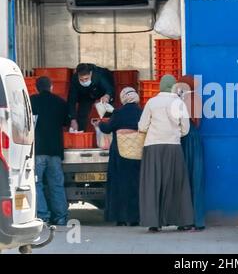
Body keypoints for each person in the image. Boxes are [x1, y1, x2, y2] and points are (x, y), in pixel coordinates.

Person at [138, 74, 194, 232]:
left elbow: (142, 126)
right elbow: (186, 129)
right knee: (177, 184)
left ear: (160, 86)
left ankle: (154, 223)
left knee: (153, 184)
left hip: (152, 146)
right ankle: (182, 221)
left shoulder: (151, 102)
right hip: (173, 146)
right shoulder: (178, 103)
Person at [95, 87, 142, 226]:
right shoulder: (141, 112)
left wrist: (100, 124)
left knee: (119, 185)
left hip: (120, 155)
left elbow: (108, 128)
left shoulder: (118, 112)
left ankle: (120, 218)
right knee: (135, 184)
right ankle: (134, 218)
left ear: (124, 98)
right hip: (137, 153)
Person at [30, 76, 69, 226]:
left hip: (38, 150)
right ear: (51, 87)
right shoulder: (60, 102)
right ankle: (60, 217)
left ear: (36, 88)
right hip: (55, 151)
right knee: (56, 184)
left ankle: (43, 215)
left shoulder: (31, 101)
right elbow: (66, 122)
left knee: (37, 183)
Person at [177, 75, 205, 231]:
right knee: (196, 179)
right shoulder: (197, 98)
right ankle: (197, 220)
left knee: (186, 179)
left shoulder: (183, 101)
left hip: (185, 139)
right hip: (195, 139)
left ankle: (187, 220)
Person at [68, 63, 115, 131]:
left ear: (90, 73)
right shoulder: (75, 79)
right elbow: (71, 100)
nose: (84, 81)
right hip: (85, 94)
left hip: (102, 92)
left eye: (86, 78)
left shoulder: (99, 74)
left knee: (107, 113)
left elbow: (109, 88)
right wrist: (73, 119)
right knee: (82, 115)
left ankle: (109, 131)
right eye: (81, 79)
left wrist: (107, 96)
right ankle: (81, 133)